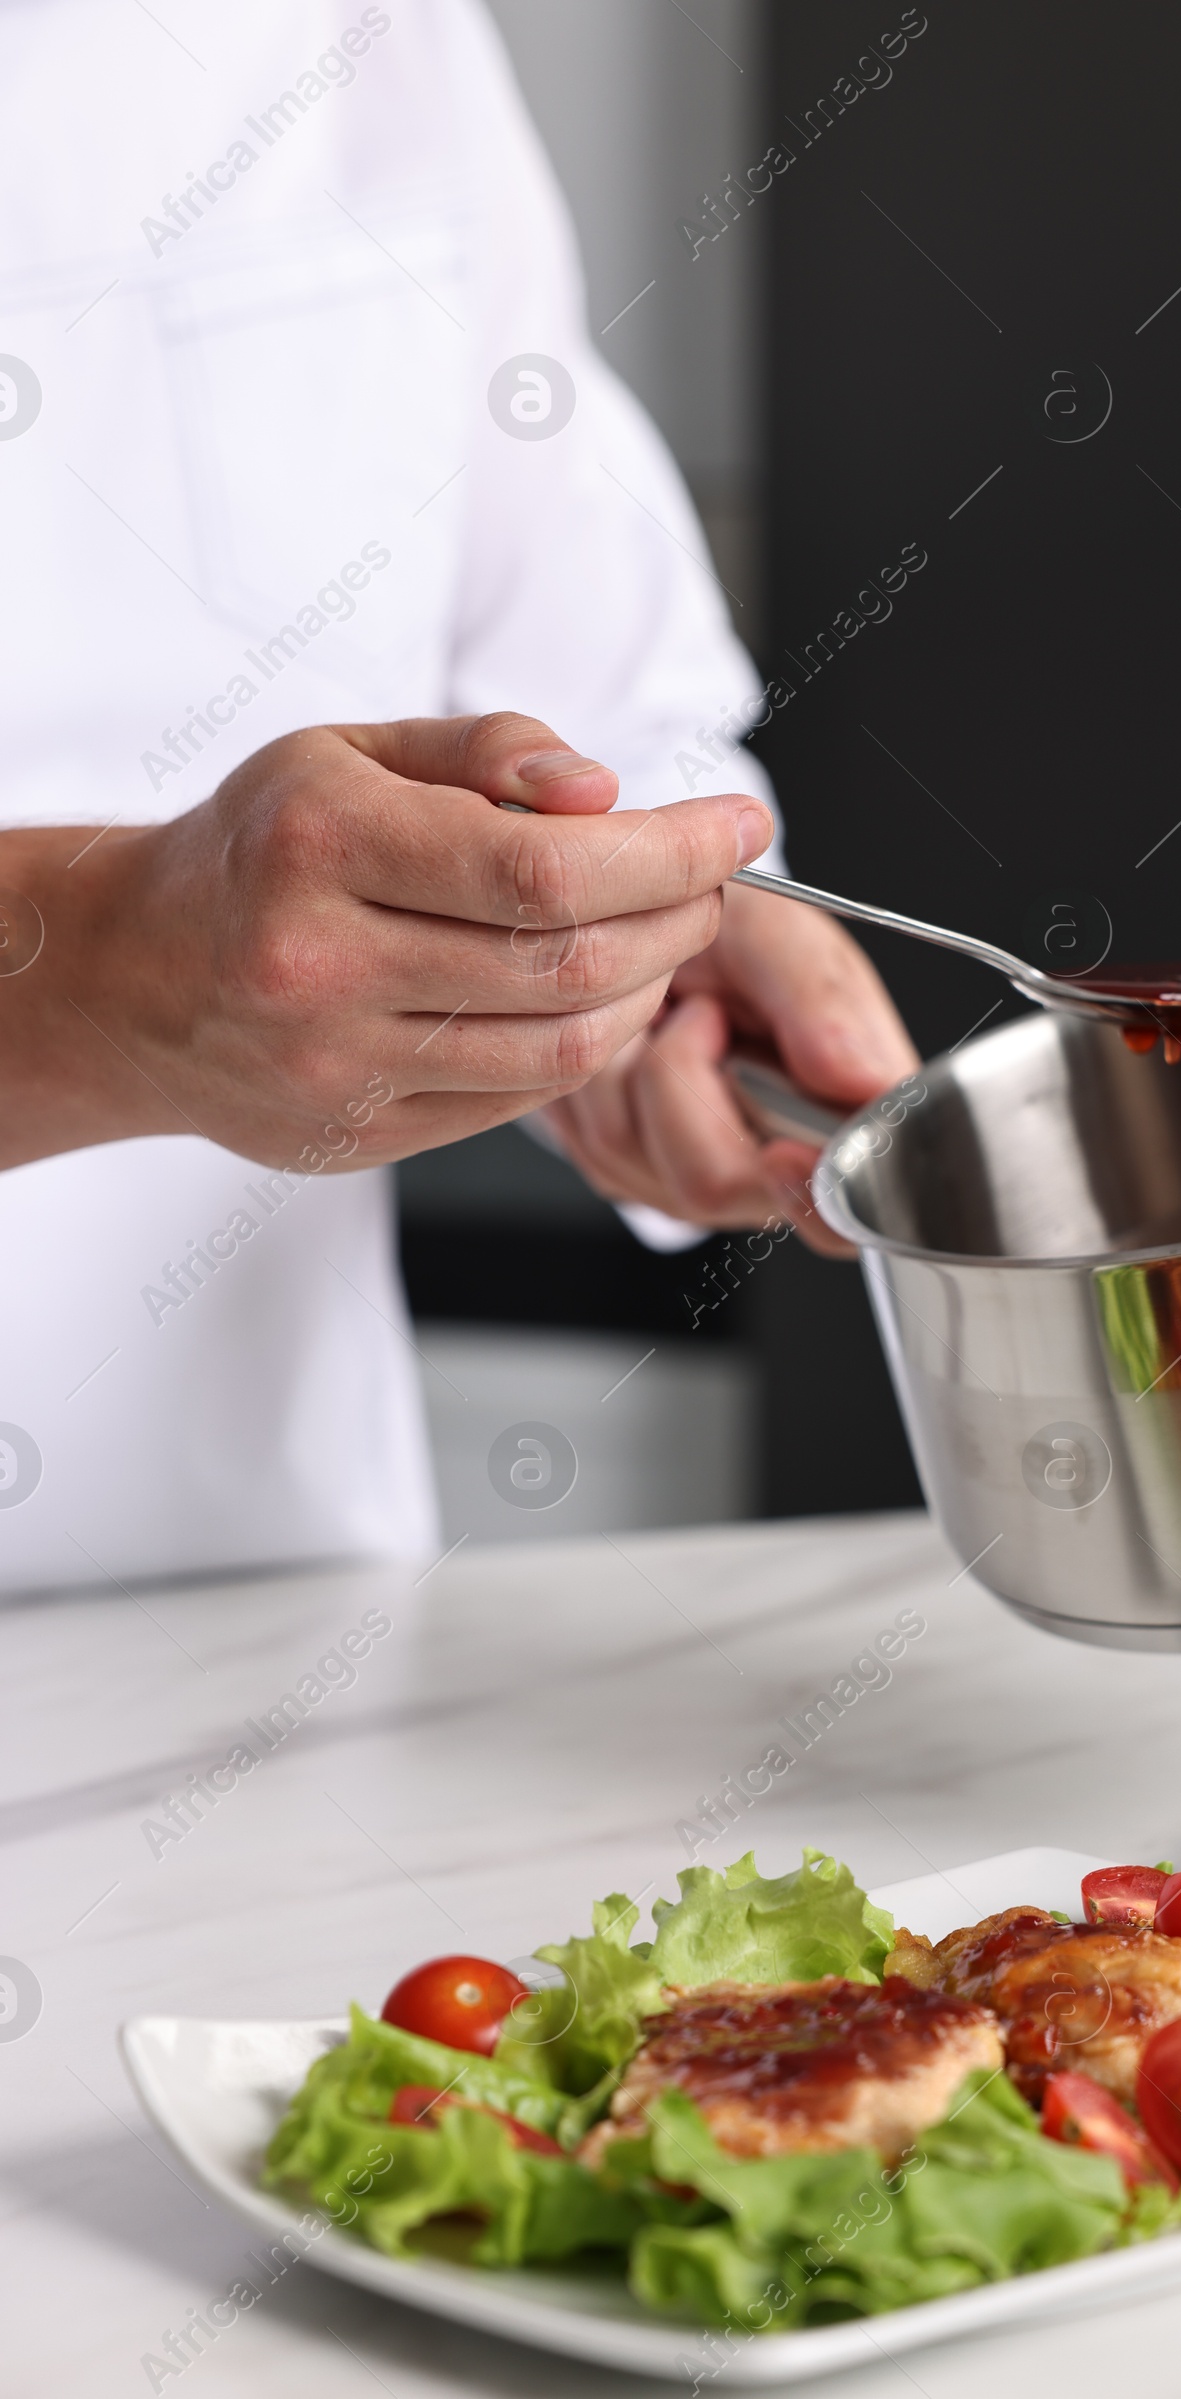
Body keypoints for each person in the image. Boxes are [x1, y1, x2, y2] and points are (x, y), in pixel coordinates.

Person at [0, 0, 915, 1593]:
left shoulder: (376, 33)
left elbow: (585, 670)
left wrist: (613, 962)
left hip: (262, 1650)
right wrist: (88, 989)